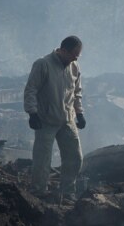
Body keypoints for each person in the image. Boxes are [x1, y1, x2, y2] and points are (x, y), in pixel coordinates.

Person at [23, 35, 86, 199]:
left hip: (67, 120)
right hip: (46, 120)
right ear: (63, 50)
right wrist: (32, 113)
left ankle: (67, 191)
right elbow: (31, 90)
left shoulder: (74, 66)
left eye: (77, 56)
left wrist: (79, 113)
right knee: (42, 160)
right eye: (73, 54)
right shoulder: (43, 64)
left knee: (75, 157)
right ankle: (38, 192)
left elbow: (77, 92)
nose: (75, 58)